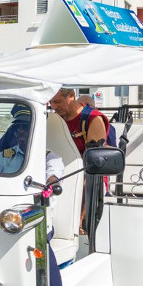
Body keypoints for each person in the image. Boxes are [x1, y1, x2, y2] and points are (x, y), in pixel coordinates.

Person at [0, 111, 74, 286]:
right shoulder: (9, 155)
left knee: (45, 255)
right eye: (20, 128)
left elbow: (54, 175)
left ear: (38, 132)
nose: (22, 132)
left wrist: (51, 182)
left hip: (35, 223)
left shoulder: (51, 158)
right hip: (5, 220)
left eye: (27, 128)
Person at [49, 87, 111, 234]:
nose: (53, 107)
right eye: (50, 102)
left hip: (87, 182)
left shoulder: (93, 119)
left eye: (57, 101)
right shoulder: (55, 119)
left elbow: (92, 169)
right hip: (59, 176)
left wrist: (79, 218)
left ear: (71, 96)